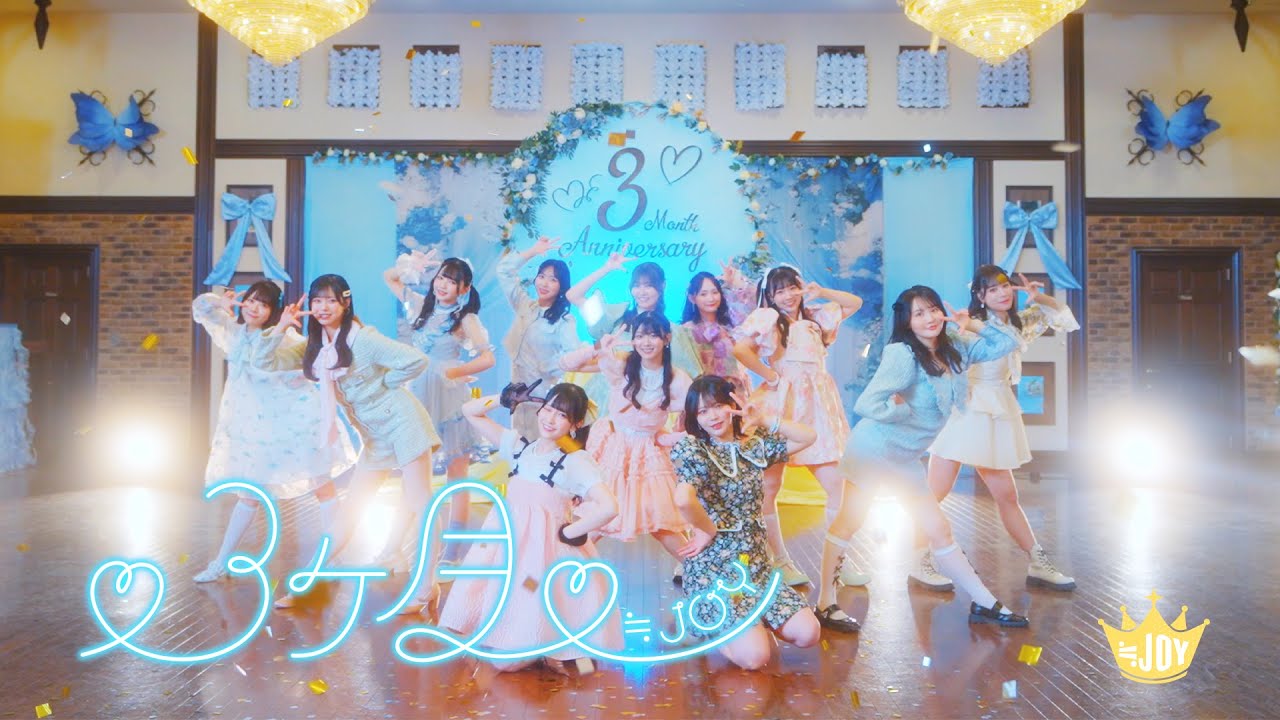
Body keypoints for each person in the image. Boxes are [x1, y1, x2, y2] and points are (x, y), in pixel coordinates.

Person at [816, 286, 1027, 632]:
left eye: (933, 309)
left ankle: (984, 603)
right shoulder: (902, 354)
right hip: (875, 450)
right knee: (849, 522)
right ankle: (825, 602)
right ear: (908, 321)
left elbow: (1008, 343)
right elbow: (867, 404)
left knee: (939, 530)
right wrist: (902, 412)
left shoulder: (956, 345)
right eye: (919, 313)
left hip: (906, 458)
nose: (929, 318)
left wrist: (972, 324)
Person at [260, 274, 441, 614]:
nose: (322, 307)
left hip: (403, 423)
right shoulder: (315, 347)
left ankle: (425, 586)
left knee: (422, 505)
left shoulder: (365, 339)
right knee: (350, 512)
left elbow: (416, 360)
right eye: (317, 300)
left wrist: (385, 382)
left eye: (330, 300)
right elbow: (264, 361)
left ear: (345, 303)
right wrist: (281, 326)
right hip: (374, 438)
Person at [916, 267, 1079, 591]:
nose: (1002, 293)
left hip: (998, 409)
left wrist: (1039, 297)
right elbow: (948, 366)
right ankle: (919, 558)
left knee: (1007, 496)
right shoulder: (969, 326)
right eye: (992, 289)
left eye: (1005, 286)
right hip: (968, 410)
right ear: (980, 296)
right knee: (935, 493)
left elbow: (1061, 317)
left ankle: (1038, 562)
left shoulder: (1019, 323)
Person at [439, 383, 622, 672]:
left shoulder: (576, 461)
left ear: (575, 424)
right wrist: (504, 398)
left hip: (543, 550)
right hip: (505, 544)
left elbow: (609, 506)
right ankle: (526, 643)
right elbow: (470, 411)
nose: (550, 419)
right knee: (498, 606)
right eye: (548, 409)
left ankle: (546, 647)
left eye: (561, 415)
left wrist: (571, 532)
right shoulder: (519, 447)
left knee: (511, 652)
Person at [190, 282, 353, 583]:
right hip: (253, 428)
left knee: (323, 486)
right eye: (251, 301)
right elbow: (200, 308)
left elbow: (308, 366)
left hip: (293, 423)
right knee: (249, 494)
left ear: (273, 310)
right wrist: (219, 301)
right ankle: (221, 562)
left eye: (263, 304)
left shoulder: (285, 335)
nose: (254, 308)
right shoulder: (233, 332)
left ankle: (334, 558)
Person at [671, 375, 822, 670]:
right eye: (702, 411)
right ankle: (712, 627)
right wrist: (707, 529)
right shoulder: (694, 449)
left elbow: (808, 436)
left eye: (718, 406)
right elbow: (683, 499)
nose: (712, 416)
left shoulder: (753, 446)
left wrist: (764, 419)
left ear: (733, 404)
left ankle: (751, 624)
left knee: (809, 633)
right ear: (694, 418)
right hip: (715, 569)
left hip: (755, 564)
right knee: (754, 659)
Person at [733, 265, 865, 587]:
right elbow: (740, 349)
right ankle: (779, 561)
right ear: (770, 295)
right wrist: (771, 375)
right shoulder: (768, 319)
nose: (788, 295)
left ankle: (838, 561)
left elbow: (854, 303)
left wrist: (821, 292)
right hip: (782, 404)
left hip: (818, 407)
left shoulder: (816, 317)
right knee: (769, 486)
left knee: (837, 486)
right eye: (779, 291)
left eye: (792, 288)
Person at [383, 254, 495, 567]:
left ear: (464, 288)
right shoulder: (422, 305)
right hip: (417, 395)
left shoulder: (466, 319)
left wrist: (455, 371)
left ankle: (453, 552)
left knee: (456, 476)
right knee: (412, 475)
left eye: (452, 281)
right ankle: (393, 548)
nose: (443, 285)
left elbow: (488, 358)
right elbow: (389, 278)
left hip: (448, 400)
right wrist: (411, 267)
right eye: (441, 277)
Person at [560, 312, 691, 558]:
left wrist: (673, 437)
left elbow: (694, 412)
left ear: (667, 338)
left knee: (660, 523)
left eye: (653, 335)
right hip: (613, 447)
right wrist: (598, 348)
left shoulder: (677, 379)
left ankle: (699, 571)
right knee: (595, 518)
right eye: (640, 336)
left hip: (648, 452)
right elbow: (567, 364)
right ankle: (562, 568)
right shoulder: (621, 364)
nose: (646, 342)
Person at [494, 237, 586, 439]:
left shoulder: (563, 320)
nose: (544, 283)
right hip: (515, 388)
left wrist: (547, 368)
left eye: (553, 280)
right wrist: (533, 251)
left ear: (562, 286)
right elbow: (503, 270)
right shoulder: (525, 305)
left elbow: (573, 356)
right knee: (517, 440)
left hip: (541, 393)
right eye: (542, 276)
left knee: (537, 442)